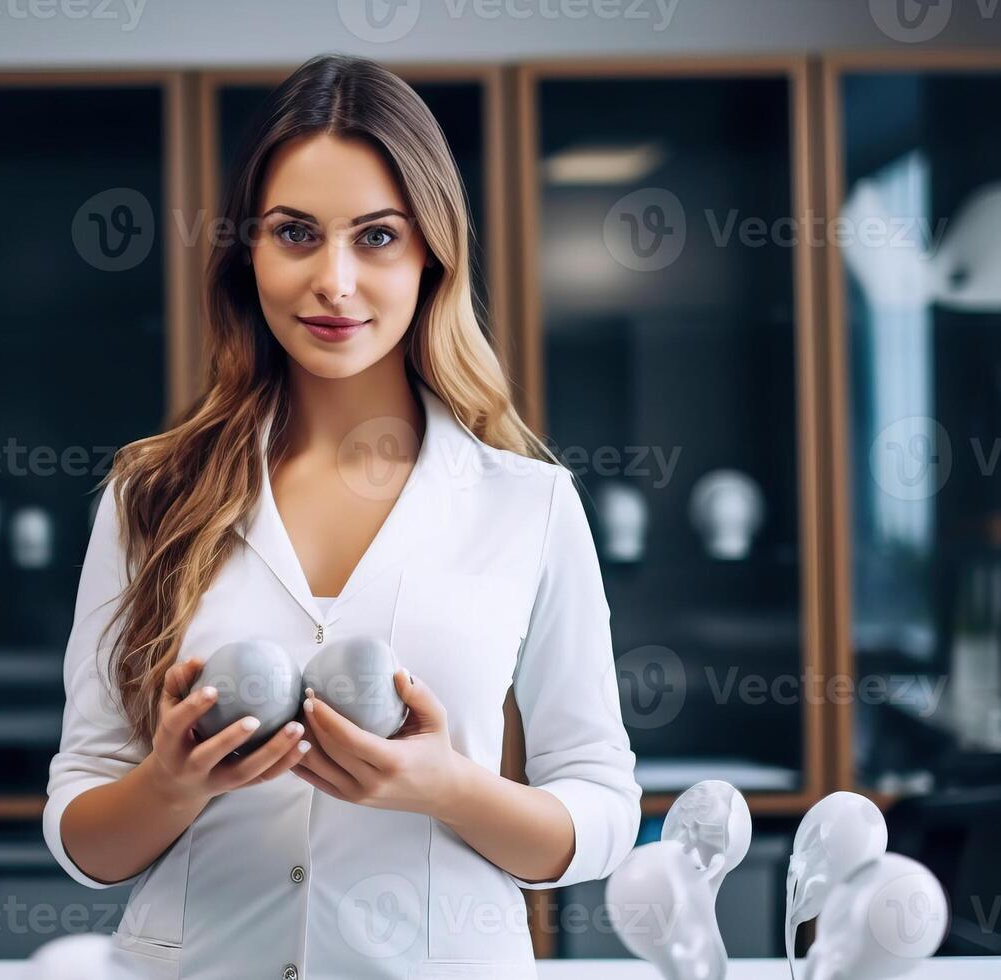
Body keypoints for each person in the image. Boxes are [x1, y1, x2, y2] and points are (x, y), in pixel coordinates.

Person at [45, 52, 642, 980]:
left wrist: (449, 790)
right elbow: (85, 836)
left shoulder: (527, 504)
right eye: (295, 233)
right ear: (248, 252)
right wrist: (167, 786)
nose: (333, 281)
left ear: (431, 253)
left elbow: (602, 810)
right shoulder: (148, 494)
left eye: (375, 237)